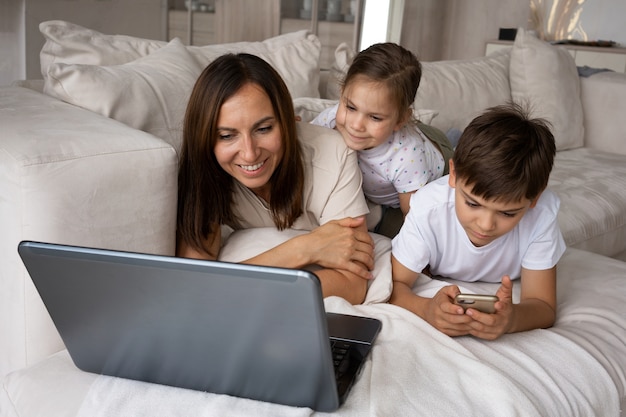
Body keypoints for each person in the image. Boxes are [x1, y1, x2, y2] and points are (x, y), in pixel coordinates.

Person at [176, 53, 376, 305]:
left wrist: (230, 287)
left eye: (263, 129)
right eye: (227, 135)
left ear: (287, 122)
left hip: (399, 168)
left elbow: (353, 285)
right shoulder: (204, 170)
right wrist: (305, 248)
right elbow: (196, 285)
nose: (249, 153)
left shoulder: (335, 152)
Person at [390, 102, 566, 340]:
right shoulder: (428, 208)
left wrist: (511, 319)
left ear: (535, 197)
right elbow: (395, 288)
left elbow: (543, 305)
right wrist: (427, 310)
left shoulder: (541, 216)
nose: (485, 225)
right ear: (453, 175)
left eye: (507, 213)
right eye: (472, 204)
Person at [311, 42, 454, 237]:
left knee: (396, 231)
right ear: (342, 92)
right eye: (351, 108)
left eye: (375, 117)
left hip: (438, 162)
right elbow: (304, 142)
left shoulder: (406, 156)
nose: (356, 125)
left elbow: (413, 216)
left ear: (401, 119)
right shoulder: (330, 121)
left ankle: (455, 140)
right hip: (413, 136)